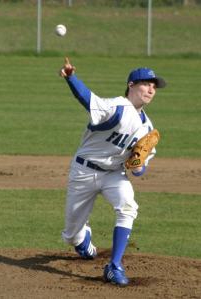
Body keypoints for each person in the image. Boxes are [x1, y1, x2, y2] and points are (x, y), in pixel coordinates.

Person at [59, 57, 166, 286]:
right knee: (71, 235)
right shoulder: (117, 107)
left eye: (154, 86)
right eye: (146, 83)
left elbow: (139, 170)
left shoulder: (148, 129)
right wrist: (71, 77)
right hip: (84, 172)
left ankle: (114, 266)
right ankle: (82, 240)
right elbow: (87, 99)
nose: (151, 89)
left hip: (113, 175)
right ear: (131, 85)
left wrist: (138, 166)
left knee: (128, 206)